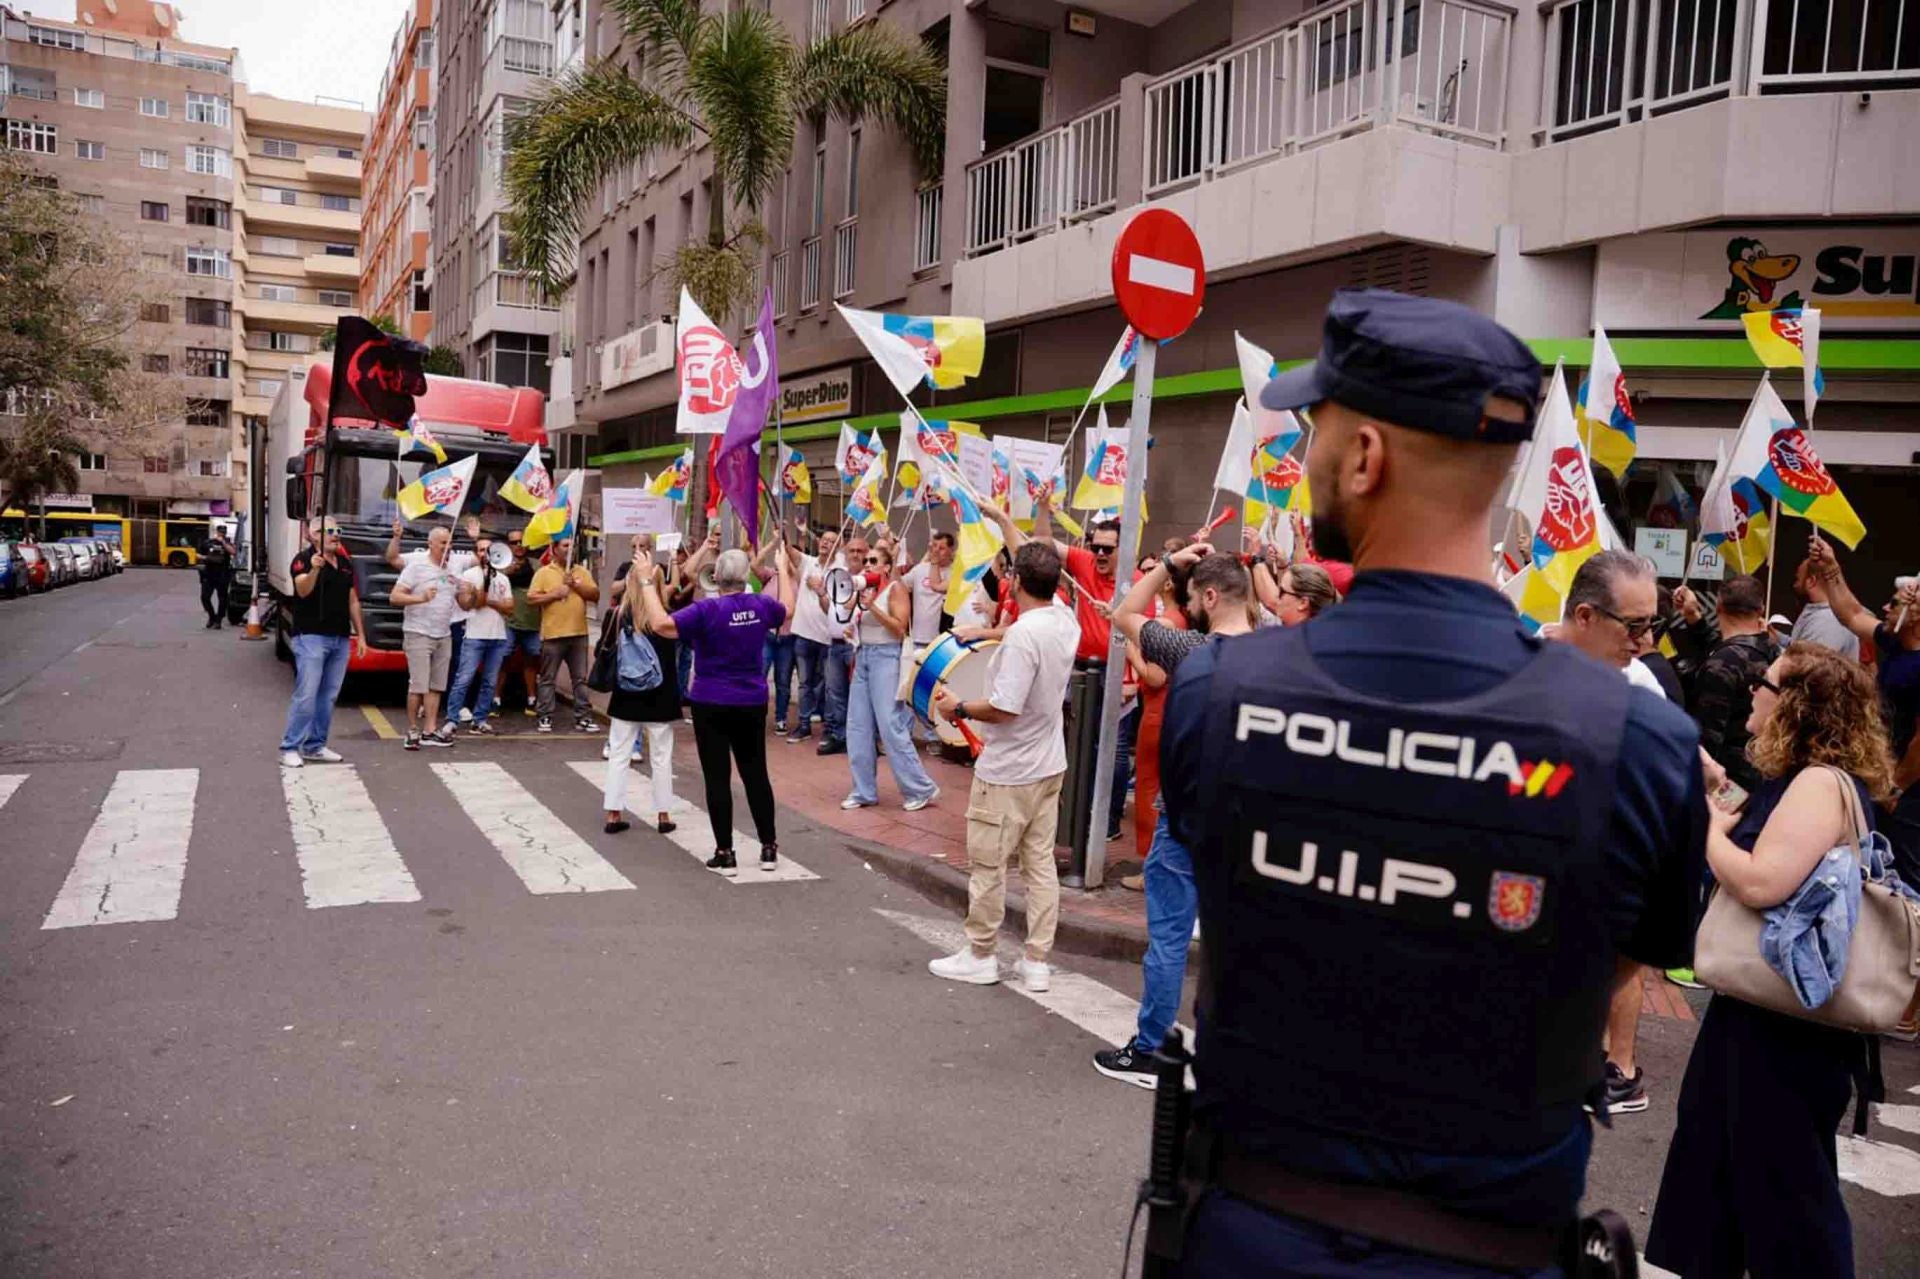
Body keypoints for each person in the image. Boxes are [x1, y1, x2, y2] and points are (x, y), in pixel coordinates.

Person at [1158, 289, 1704, 1277]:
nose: (1310, 454)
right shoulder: (1641, 744)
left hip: (1251, 1237)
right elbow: (1623, 955)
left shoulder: (1219, 694)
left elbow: (1226, 877)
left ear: (1365, 457)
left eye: (1318, 427)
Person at [1646, 642, 1898, 1279]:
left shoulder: (1820, 784)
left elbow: (1762, 881)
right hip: (1759, 1005)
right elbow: (1760, 829)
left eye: (1767, 682)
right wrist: (1712, 781)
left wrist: (1708, 834)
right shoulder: (1799, 779)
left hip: (1787, 1024)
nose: (1753, 690)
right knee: (1714, 1165)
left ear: (1796, 706)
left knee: (1785, 1190)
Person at [1094, 544, 1254, 1088]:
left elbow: (1123, 613)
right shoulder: (1279, 656)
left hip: (1184, 817)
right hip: (1247, 823)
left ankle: (1151, 1051)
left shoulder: (1189, 648)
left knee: (1168, 940)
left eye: (1192, 597)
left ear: (1208, 596)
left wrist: (1168, 563)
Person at [926, 541, 1080, 994]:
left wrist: (958, 708)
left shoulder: (1023, 637)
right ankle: (1036, 962)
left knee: (988, 866)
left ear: (1015, 582)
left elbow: (1004, 708)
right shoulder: (1064, 619)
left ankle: (981, 954)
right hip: (1048, 763)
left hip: (1009, 770)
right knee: (1040, 866)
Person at [1557, 549, 1668, 1114]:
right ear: (1585, 616)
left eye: (1653, 625)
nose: (1645, 641)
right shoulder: (1525, 664)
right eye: (1635, 625)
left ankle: (1615, 1070)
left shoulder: (1640, 684)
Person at [636, 543, 795, 875]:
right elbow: (788, 609)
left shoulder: (706, 610)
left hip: (711, 700)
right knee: (756, 774)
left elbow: (662, 625)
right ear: (746, 577)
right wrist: (782, 569)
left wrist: (647, 581)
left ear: (717, 577)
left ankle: (725, 853)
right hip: (751, 700)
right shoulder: (760, 604)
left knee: (717, 778)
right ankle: (769, 848)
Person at [1805, 536, 1920, 889]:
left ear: (1915, 616)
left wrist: (1896, 788)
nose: (1884, 607)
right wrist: (1830, 567)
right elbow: (1851, 613)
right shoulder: (1896, 643)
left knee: (1909, 879)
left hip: (1909, 795)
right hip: (1890, 787)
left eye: (1894, 603)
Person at [841, 542, 941, 814]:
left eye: (874, 561)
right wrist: (853, 628)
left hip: (886, 657)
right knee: (857, 725)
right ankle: (863, 790)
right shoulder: (865, 590)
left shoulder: (895, 589)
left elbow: (899, 629)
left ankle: (920, 788)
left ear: (886, 566)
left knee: (890, 724)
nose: (868, 565)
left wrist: (873, 607)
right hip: (863, 655)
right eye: (866, 561)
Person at [601, 555, 681, 837]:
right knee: (661, 757)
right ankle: (663, 814)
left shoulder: (617, 615)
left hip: (626, 692)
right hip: (660, 695)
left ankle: (613, 812)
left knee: (619, 754)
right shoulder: (666, 619)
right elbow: (676, 586)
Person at [279, 518, 367, 767]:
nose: (334, 535)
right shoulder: (303, 559)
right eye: (327, 531)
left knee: (327, 696)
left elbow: (352, 600)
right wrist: (315, 570)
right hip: (311, 636)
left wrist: (360, 634)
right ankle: (289, 747)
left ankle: (315, 746)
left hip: (339, 637)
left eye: (337, 530)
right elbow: (302, 590)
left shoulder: (345, 564)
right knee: (307, 694)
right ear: (312, 535)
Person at [1679, 575, 1776, 796]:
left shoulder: (1721, 665)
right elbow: (1729, 649)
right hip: (1763, 776)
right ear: (1761, 609)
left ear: (1718, 606)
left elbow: (1708, 740)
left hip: (1729, 786)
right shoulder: (1772, 650)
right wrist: (1695, 619)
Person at [388, 524, 462, 750]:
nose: (447, 548)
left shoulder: (452, 569)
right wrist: (420, 598)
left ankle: (430, 730)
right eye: (443, 543)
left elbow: (462, 601)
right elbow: (395, 597)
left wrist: (471, 593)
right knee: (418, 685)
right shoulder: (416, 566)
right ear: (430, 544)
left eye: (450, 543)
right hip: (418, 632)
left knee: (436, 686)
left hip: (443, 633)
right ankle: (412, 730)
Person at [526, 538, 600, 734]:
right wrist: (554, 595)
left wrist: (575, 585)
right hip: (553, 634)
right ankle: (545, 715)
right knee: (548, 678)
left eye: (572, 545)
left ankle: (583, 716)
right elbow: (531, 599)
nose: (570, 549)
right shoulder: (544, 572)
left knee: (580, 678)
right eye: (565, 545)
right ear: (554, 548)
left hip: (578, 633)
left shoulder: (582, 572)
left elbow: (595, 595)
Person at [444, 536, 515, 735]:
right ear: (477, 554)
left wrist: (490, 600)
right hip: (474, 635)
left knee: (490, 681)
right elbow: (468, 604)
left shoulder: (502, 578)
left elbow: (510, 608)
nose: (485, 553)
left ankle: (480, 719)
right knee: (464, 679)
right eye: (482, 550)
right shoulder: (468, 576)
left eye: (488, 549)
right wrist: (482, 591)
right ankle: (452, 719)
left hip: (498, 636)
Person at [1789, 554, 1863, 661]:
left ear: (1811, 581)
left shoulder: (1827, 620)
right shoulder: (1821, 615)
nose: (1794, 585)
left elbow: (1808, 665)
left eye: (1797, 579)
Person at [501, 530, 543, 715]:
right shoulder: (500, 563)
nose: (518, 545)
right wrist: (506, 572)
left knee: (532, 659)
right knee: (502, 659)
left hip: (532, 622)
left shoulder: (536, 564)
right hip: (508, 621)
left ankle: (532, 699)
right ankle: (495, 699)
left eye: (522, 542)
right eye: (514, 542)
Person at [198, 527, 234, 629]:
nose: (221, 534)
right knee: (205, 597)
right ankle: (212, 616)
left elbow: (233, 552)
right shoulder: (208, 542)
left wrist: (223, 542)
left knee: (222, 599)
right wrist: (206, 558)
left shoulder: (227, 543)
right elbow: (198, 554)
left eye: (223, 533)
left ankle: (218, 620)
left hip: (222, 574)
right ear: (216, 532)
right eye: (220, 532)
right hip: (209, 574)